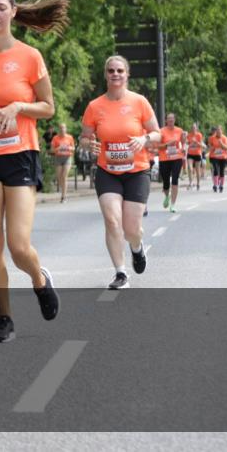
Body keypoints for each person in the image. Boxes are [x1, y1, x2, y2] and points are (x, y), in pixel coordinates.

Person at [0, 0, 67, 342]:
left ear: (12, 12)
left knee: (18, 244)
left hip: (21, 154)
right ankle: (4, 317)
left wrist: (18, 107)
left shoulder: (29, 56)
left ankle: (39, 280)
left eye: (1, 8)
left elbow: (48, 107)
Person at [79, 55, 160, 290]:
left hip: (137, 172)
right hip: (108, 172)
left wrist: (144, 139)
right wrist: (87, 144)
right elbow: (84, 137)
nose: (115, 74)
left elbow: (157, 133)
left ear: (127, 75)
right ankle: (121, 273)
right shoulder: (95, 106)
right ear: (105, 75)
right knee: (112, 221)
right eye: (111, 71)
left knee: (131, 229)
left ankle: (136, 247)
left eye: (120, 71)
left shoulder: (140, 102)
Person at [157, 113, 184, 213]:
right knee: (166, 183)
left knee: (175, 180)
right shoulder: (161, 131)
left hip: (177, 157)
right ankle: (167, 196)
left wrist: (183, 149)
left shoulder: (179, 131)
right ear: (166, 121)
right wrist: (168, 144)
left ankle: (173, 205)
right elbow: (158, 146)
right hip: (164, 159)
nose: (171, 120)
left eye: (172, 119)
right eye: (169, 119)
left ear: (175, 120)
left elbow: (182, 144)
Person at [50, 123, 76, 203]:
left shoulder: (69, 137)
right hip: (58, 158)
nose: (62, 129)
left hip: (67, 158)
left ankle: (63, 196)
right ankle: (63, 190)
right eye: (61, 128)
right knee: (59, 177)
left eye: (64, 128)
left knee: (64, 176)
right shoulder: (55, 138)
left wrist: (69, 147)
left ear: (66, 129)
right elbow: (52, 150)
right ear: (59, 129)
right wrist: (58, 148)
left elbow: (73, 148)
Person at [207, 126, 227, 193]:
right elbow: (209, 146)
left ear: (222, 131)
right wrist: (213, 148)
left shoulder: (224, 138)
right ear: (216, 132)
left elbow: (226, 148)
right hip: (214, 156)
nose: (218, 132)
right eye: (217, 131)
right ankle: (215, 185)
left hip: (222, 157)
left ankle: (221, 185)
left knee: (222, 171)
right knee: (215, 170)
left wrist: (221, 144)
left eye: (220, 131)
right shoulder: (212, 138)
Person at [186, 122, 205, 190]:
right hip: (190, 153)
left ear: (196, 128)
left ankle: (198, 183)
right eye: (192, 128)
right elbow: (187, 143)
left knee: (197, 170)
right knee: (190, 168)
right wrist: (189, 144)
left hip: (197, 153)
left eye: (194, 128)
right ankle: (191, 183)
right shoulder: (189, 135)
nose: (193, 129)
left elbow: (201, 144)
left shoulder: (199, 135)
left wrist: (196, 142)